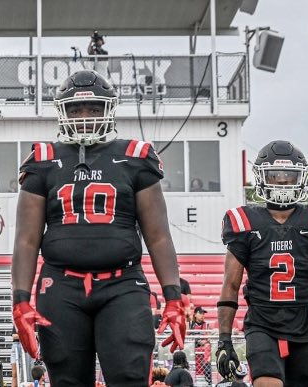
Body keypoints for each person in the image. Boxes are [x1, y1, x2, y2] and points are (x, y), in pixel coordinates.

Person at [10, 69, 188, 386]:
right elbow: (26, 240)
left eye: (93, 108)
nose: (84, 117)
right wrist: (20, 301)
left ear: (109, 109)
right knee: (66, 379)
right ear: (62, 112)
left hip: (123, 285)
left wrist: (173, 297)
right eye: (76, 109)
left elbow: (158, 237)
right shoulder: (43, 159)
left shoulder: (135, 156)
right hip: (61, 286)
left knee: (131, 377)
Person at [216, 140, 308, 387]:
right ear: (261, 177)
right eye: (275, 175)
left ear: (301, 177)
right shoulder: (243, 221)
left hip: (305, 324)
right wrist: (224, 338)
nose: (283, 181)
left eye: (289, 175)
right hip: (262, 323)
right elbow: (230, 286)